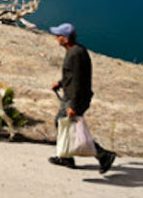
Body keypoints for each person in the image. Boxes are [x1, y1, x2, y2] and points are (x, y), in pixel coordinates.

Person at [48, 22, 117, 173]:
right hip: (72, 95)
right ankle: (66, 157)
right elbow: (73, 75)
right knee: (62, 124)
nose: (56, 37)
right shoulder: (75, 50)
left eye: (58, 35)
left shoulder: (75, 54)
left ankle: (103, 155)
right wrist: (60, 83)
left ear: (65, 39)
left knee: (69, 126)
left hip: (75, 98)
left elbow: (79, 82)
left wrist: (74, 106)